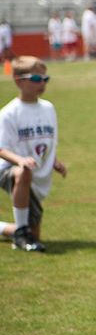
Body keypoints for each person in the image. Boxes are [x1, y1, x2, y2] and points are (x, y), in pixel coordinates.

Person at [0, 57, 67, 252]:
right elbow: (1, 149)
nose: (42, 83)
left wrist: (54, 161)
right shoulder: (9, 113)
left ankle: (12, 229)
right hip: (9, 168)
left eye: (46, 79)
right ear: (18, 80)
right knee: (23, 172)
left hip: (33, 169)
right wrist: (20, 161)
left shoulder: (48, 108)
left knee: (34, 234)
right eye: (37, 78)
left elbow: (44, 143)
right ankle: (20, 234)